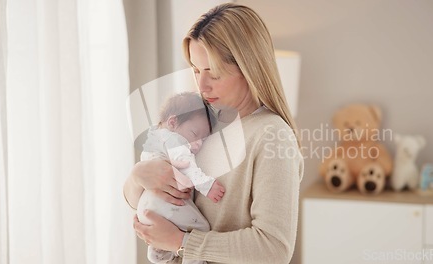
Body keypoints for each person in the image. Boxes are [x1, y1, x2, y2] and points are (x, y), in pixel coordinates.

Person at [124, 3, 304, 264]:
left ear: (248, 67)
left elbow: (274, 249)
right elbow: (138, 199)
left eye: (214, 73)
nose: (202, 85)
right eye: (196, 70)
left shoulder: (273, 136)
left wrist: (181, 242)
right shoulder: (201, 119)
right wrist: (138, 176)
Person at [137, 91, 224, 264]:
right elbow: (188, 167)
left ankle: (158, 252)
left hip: (146, 206)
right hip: (165, 204)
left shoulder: (154, 138)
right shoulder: (174, 140)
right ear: (173, 122)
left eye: (203, 139)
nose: (198, 143)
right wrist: (208, 186)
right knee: (201, 229)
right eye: (194, 133)